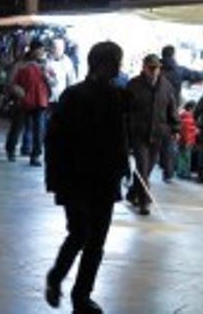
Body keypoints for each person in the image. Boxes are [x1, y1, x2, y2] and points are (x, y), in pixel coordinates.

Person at [44, 41, 129, 314]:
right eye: (115, 61)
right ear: (101, 63)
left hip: (105, 179)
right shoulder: (75, 96)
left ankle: (81, 296)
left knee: (96, 242)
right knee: (80, 233)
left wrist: (123, 167)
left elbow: (120, 137)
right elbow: (54, 141)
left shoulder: (116, 96)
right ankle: (56, 276)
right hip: (76, 179)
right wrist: (56, 181)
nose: (118, 67)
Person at [124, 54, 178, 214]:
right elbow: (125, 110)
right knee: (142, 166)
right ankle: (144, 202)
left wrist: (175, 128)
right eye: (151, 68)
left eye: (157, 68)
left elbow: (172, 107)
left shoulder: (166, 86)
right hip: (139, 133)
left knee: (147, 169)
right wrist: (125, 131)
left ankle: (132, 193)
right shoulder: (133, 85)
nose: (154, 71)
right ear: (144, 67)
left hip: (158, 134)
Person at [158, 45, 203, 181]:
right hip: (171, 110)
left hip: (155, 111)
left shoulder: (157, 70)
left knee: (154, 143)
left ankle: (153, 169)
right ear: (173, 55)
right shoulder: (178, 71)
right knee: (169, 141)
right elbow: (197, 75)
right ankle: (168, 172)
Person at [6, 41, 51, 166]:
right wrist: (21, 93)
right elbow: (10, 82)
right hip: (23, 102)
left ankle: (35, 155)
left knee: (39, 130)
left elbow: (52, 81)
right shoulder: (20, 64)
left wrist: (48, 77)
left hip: (40, 101)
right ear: (33, 50)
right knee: (17, 127)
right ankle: (11, 149)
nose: (42, 53)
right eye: (40, 50)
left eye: (43, 50)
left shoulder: (44, 65)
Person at [46, 38, 78, 106]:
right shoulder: (45, 60)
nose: (58, 50)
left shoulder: (67, 61)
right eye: (55, 48)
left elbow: (72, 80)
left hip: (62, 97)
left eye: (60, 48)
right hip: (47, 98)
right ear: (51, 48)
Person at [177, 100, 198, 179]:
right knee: (187, 157)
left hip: (181, 140)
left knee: (181, 156)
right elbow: (188, 131)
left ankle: (179, 171)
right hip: (188, 140)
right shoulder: (189, 118)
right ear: (191, 108)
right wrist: (196, 131)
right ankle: (185, 173)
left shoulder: (182, 116)